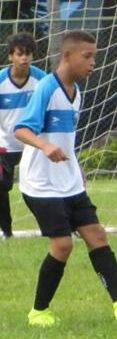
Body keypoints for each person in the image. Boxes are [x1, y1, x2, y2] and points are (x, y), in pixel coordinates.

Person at [16, 30, 117, 327]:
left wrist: (76, 165)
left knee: (96, 234)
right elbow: (21, 129)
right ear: (67, 56)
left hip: (68, 181)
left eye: (94, 56)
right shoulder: (47, 88)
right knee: (63, 246)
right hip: (41, 185)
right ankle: (39, 311)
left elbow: (67, 139)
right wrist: (45, 146)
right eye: (87, 57)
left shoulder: (77, 93)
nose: (93, 62)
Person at [0, 32, 47, 237]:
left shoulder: (42, 80)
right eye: (20, 54)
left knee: (44, 186)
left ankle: (55, 227)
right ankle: (6, 232)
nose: (24, 58)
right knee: (1, 187)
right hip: (4, 143)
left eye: (28, 54)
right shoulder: (1, 80)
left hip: (32, 143)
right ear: (11, 56)